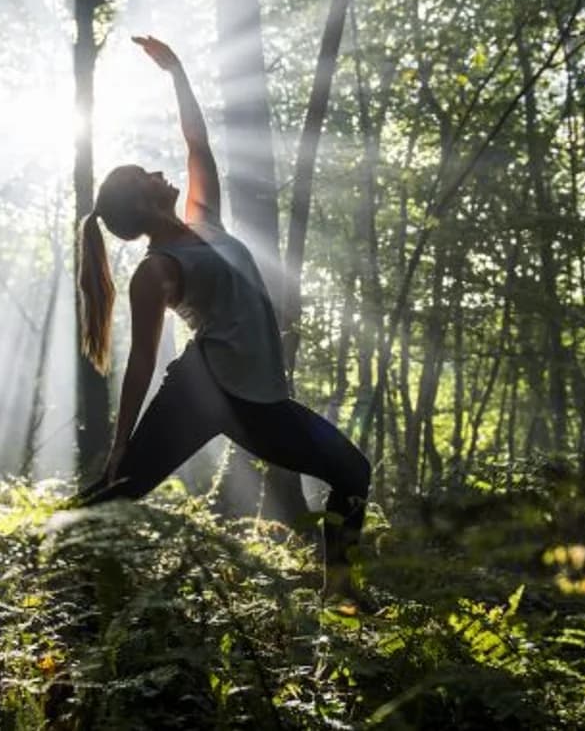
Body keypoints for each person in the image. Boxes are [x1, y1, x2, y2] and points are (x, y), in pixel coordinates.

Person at [74, 35, 371, 598]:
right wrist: (120, 441)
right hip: (203, 389)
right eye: (146, 175)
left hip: (260, 401)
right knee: (124, 485)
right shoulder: (156, 270)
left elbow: (196, 141)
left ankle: (343, 593)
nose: (161, 172)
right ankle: (48, 546)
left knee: (353, 473)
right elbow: (139, 364)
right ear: (142, 204)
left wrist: (178, 72)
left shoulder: (202, 219)